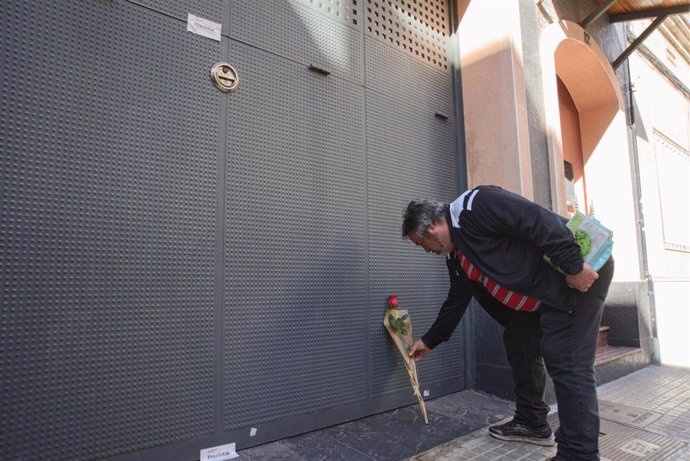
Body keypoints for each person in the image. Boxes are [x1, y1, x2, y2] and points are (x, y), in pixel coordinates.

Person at [402, 185, 614, 461]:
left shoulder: (475, 205)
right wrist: (430, 340)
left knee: (568, 363)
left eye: (421, 245)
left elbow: (537, 219)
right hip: (540, 298)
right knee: (519, 339)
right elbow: (456, 299)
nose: (426, 252)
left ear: (431, 226)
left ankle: (579, 454)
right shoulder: (458, 255)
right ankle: (533, 421)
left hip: (576, 277)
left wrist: (573, 266)